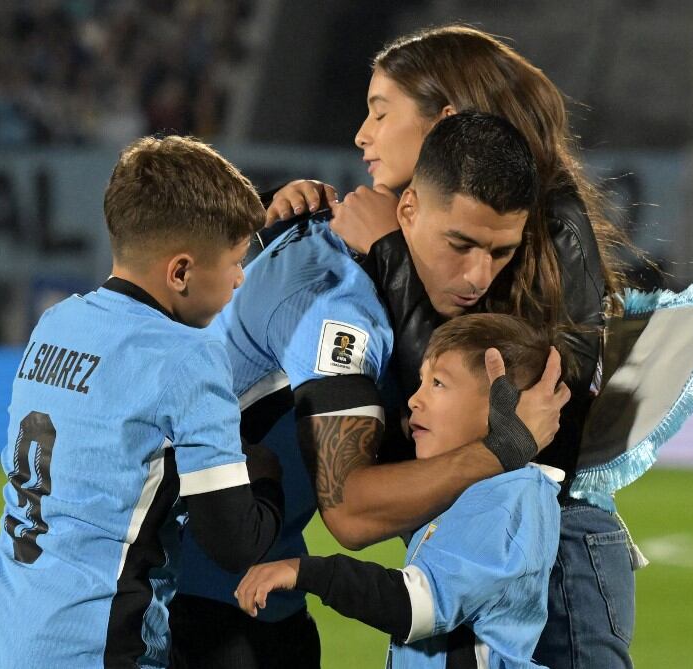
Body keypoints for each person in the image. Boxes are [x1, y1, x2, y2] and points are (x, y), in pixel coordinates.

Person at [260, 25, 642, 668]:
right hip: (467, 532)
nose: (362, 133)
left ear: (446, 121)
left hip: (555, 552)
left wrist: (389, 251)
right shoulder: (424, 228)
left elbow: (517, 417)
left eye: (381, 111)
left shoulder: (552, 227)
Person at [170, 112, 570, 669]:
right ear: (407, 210)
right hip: (192, 596)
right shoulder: (340, 309)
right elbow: (351, 514)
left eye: (499, 252)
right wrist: (500, 452)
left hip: (253, 582)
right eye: (461, 244)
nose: (479, 276)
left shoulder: (346, 254)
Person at [0, 136, 287, 669]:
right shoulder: (187, 357)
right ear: (181, 272)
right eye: (234, 261)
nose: (240, 277)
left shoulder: (58, 322)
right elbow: (234, 541)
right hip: (95, 647)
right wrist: (270, 475)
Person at [236, 313, 565, 669]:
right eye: (421, 382)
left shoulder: (506, 503)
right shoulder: (481, 489)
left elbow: (414, 606)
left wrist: (304, 571)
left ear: (502, 404)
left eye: (438, 384)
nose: (414, 400)